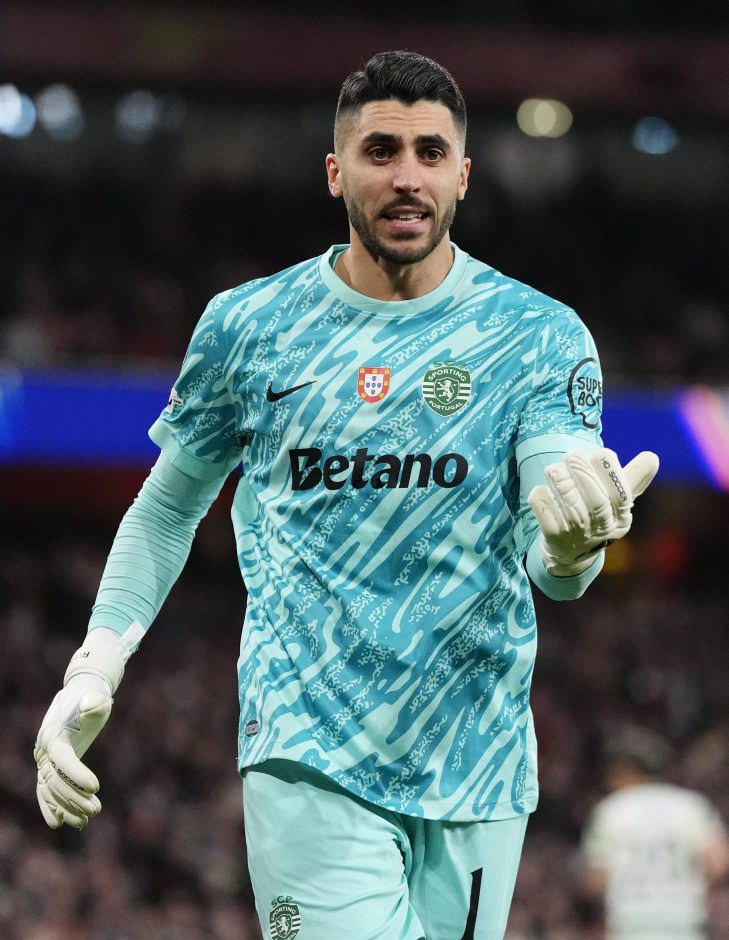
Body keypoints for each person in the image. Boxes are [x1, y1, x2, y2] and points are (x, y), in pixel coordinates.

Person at [34, 51, 659, 940]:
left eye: (430, 153)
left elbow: (555, 564)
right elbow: (168, 508)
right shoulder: (251, 327)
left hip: (477, 759)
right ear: (335, 172)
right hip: (307, 747)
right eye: (380, 150)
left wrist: (570, 545)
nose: (407, 176)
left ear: (463, 175)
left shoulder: (536, 336)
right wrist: (95, 664)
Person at [581, 727, 729, 940]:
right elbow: (718, 861)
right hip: (683, 921)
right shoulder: (690, 805)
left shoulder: (610, 810)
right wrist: (696, 890)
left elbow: (596, 880)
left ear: (625, 769)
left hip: (630, 922)